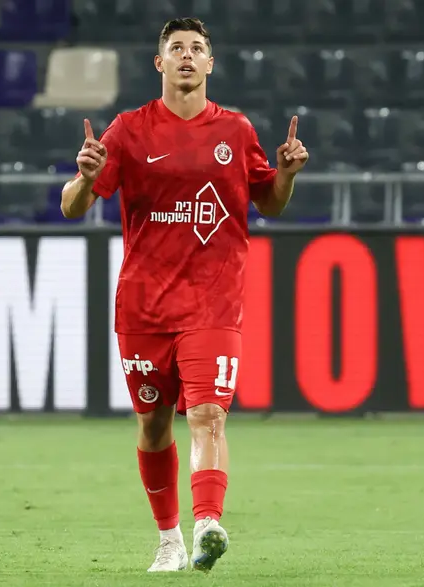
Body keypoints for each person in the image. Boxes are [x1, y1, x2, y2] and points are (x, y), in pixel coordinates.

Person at [60, 17, 309, 573]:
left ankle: (207, 525)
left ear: (211, 63)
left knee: (208, 414)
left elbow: (269, 203)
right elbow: (72, 206)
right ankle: (168, 539)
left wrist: (286, 174)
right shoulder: (129, 129)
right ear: (161, 63)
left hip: (213, 304)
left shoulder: (236, 131)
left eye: (197, 48)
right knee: (153, 425)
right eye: (177, 48)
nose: (188, 56)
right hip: (143, 307)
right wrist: (84, 177)